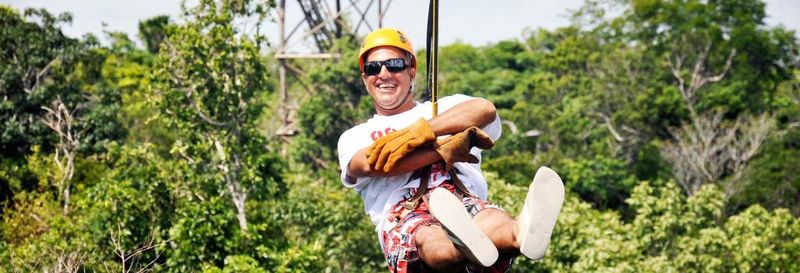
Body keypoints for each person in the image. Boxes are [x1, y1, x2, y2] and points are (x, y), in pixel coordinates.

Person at [337, 28, 565, 273]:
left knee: (486, 216)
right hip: (404, 211)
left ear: (411, 71)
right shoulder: (355, 136)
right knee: (427, 236)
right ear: (365, 78)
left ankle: (520, 235)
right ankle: (463, 247)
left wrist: (420, 132)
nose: (383, 73)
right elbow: (372, 164)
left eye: (394, 65)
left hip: (462, 196)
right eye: (373, 68)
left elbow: (484, 109)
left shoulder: (445, 107)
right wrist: (444, 149)